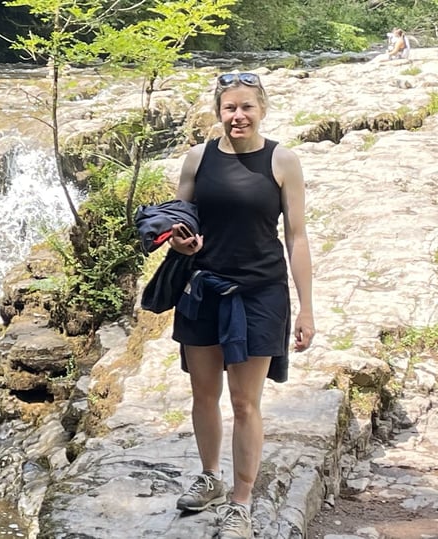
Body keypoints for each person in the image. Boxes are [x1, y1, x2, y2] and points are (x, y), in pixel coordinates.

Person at [168, 72, 315, 539]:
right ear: (218, 111)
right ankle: (210, 477)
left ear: (262, 110)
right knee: (203, 394)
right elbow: (178, 222)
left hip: (259, 293)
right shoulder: (197, 159)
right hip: (203, 289)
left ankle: (241, 500)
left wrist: (307, 309)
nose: (238, 116)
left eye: (247, 107)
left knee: (245, 402)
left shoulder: (282, 161)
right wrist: (181, 243)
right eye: (230, 107)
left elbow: (296, 236)